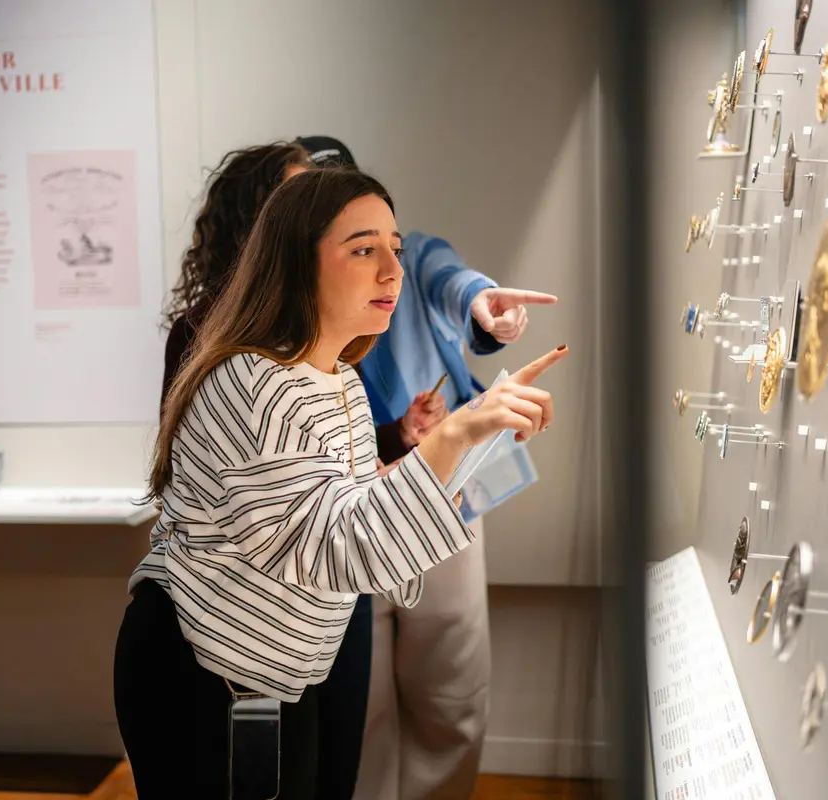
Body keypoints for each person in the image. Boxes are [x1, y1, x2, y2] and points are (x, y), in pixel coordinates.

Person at [114, 166, 567, 798]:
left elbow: (355, 507)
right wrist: (456, 435)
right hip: (200, 672)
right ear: (298, 261)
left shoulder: (338, 379)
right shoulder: (253, 381)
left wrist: (472, 433)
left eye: (394, 249)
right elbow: (333, 545)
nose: (393, 271)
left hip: (268, 676)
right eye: (363, 250)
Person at [154, 142, 446, 798]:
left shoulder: (329, 349)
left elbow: (320, 460)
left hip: (321, 599)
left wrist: (400, 442)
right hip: (249, 616)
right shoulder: (224, 346)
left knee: (328, 762)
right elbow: (252, 484)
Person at [295, 136, 559, 800]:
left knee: (452, 690)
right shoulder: (291, 295)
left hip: (445, 507)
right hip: (347, 521)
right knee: (363, 706)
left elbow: (453, 280)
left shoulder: (405, 263)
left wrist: (484, 306)